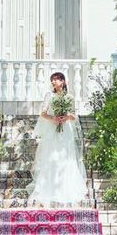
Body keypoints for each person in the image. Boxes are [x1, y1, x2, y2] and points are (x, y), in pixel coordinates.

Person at [27, 71, 88, 206]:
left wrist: (66, 117)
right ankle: (49, 188)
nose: (53, 82)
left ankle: (66, 188)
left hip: (66, 130)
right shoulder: (49, 95)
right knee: (52, 156)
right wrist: (53, 118)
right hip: (52, 129)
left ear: (63, 81)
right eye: (52, 80)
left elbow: (74, 115)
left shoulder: (69, 97)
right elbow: (43, 113)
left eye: (56, 79)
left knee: (66, 157)